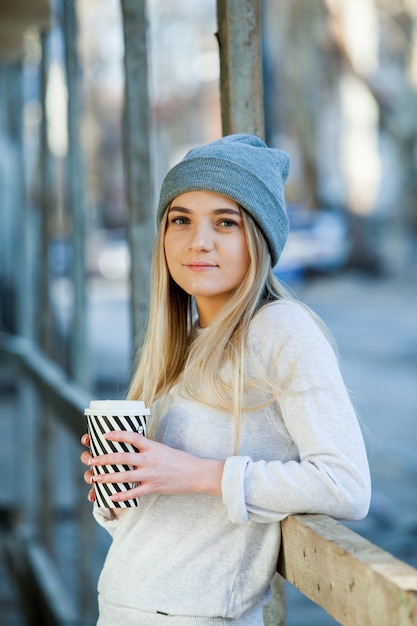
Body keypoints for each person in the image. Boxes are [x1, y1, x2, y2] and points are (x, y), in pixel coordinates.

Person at [81, 134, 371, 626]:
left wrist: (197, 473)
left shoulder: (281, 329)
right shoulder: (183, 341)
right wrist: (117, 493)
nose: (199, 241)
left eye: (225, 222)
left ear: (258, 236)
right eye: (181, 220)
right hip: (123, 607)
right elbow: (175, 529)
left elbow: (346, 485)